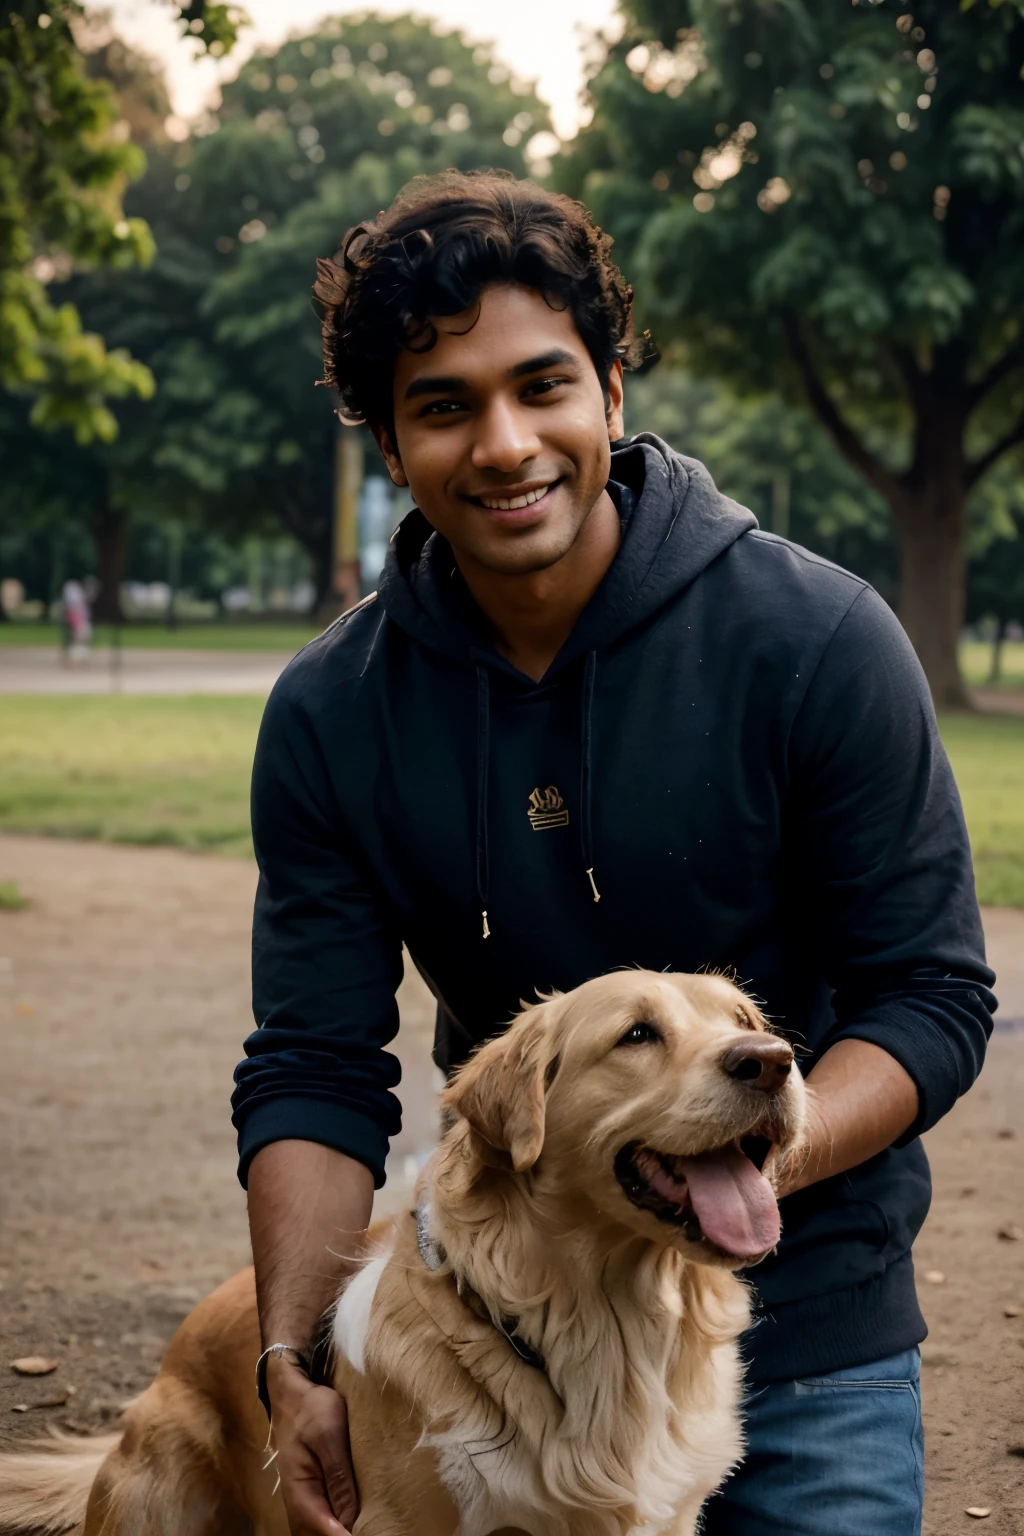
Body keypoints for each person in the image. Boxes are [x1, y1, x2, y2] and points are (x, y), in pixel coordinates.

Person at [232, 171, 995, 1536]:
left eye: (545, 385)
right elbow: (314, 1063)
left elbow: (932, 998)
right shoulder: (332, 714)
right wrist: (293, 1356)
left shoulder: (816, 641)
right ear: (392, 446)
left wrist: (733, 1166)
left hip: (805, 1312)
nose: (507, 442)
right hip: (495, 1340)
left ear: (613, 395)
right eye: (445, 405)